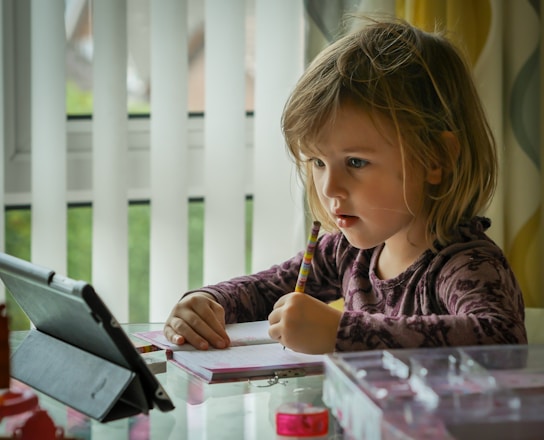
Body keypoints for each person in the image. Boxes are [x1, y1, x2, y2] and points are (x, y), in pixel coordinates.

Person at [164, 18, 527, 354]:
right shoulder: (346, 253)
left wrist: (342, 332)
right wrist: (207, 302)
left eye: (356, 162)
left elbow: (501, 339)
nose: (329, 187)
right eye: (318, 163)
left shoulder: (466, 264)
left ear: (436, 159)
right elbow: (262, 290)